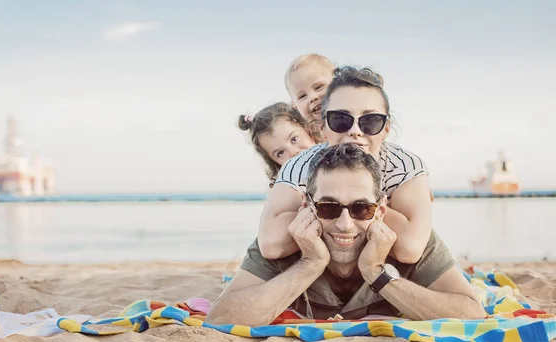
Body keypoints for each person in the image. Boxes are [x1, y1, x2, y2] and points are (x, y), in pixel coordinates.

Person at [206, 143, 484, 327]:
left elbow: (472, 313)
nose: (344, 224)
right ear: (307, 205)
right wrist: (309, 265)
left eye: (361, 208)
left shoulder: (409, 240)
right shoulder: (291, 237)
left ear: (381, 209)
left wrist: (378, 274)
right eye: (328, 207)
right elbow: (220, 318)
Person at [259, 66, 432, 264]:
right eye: (341, 120)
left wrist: (328, 208)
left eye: (371, 120)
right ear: (323, 127)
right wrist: (360, 210)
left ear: (385, 129)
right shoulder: (300, 165)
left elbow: (409, 249)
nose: (355, 131)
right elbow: (271, 244)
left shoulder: (404, 165)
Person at [239, 102, 322, 187]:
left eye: (294, 139)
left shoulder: (334, 151)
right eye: (280, 153)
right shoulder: (291, 189)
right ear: (274, 163)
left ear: (307, 129)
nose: (294, 153)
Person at [284, 53, 335, 123]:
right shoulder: (304, 133)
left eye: (318, 87)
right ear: (295, 107)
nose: (313, 97)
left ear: (337, 82)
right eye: (302, 96)